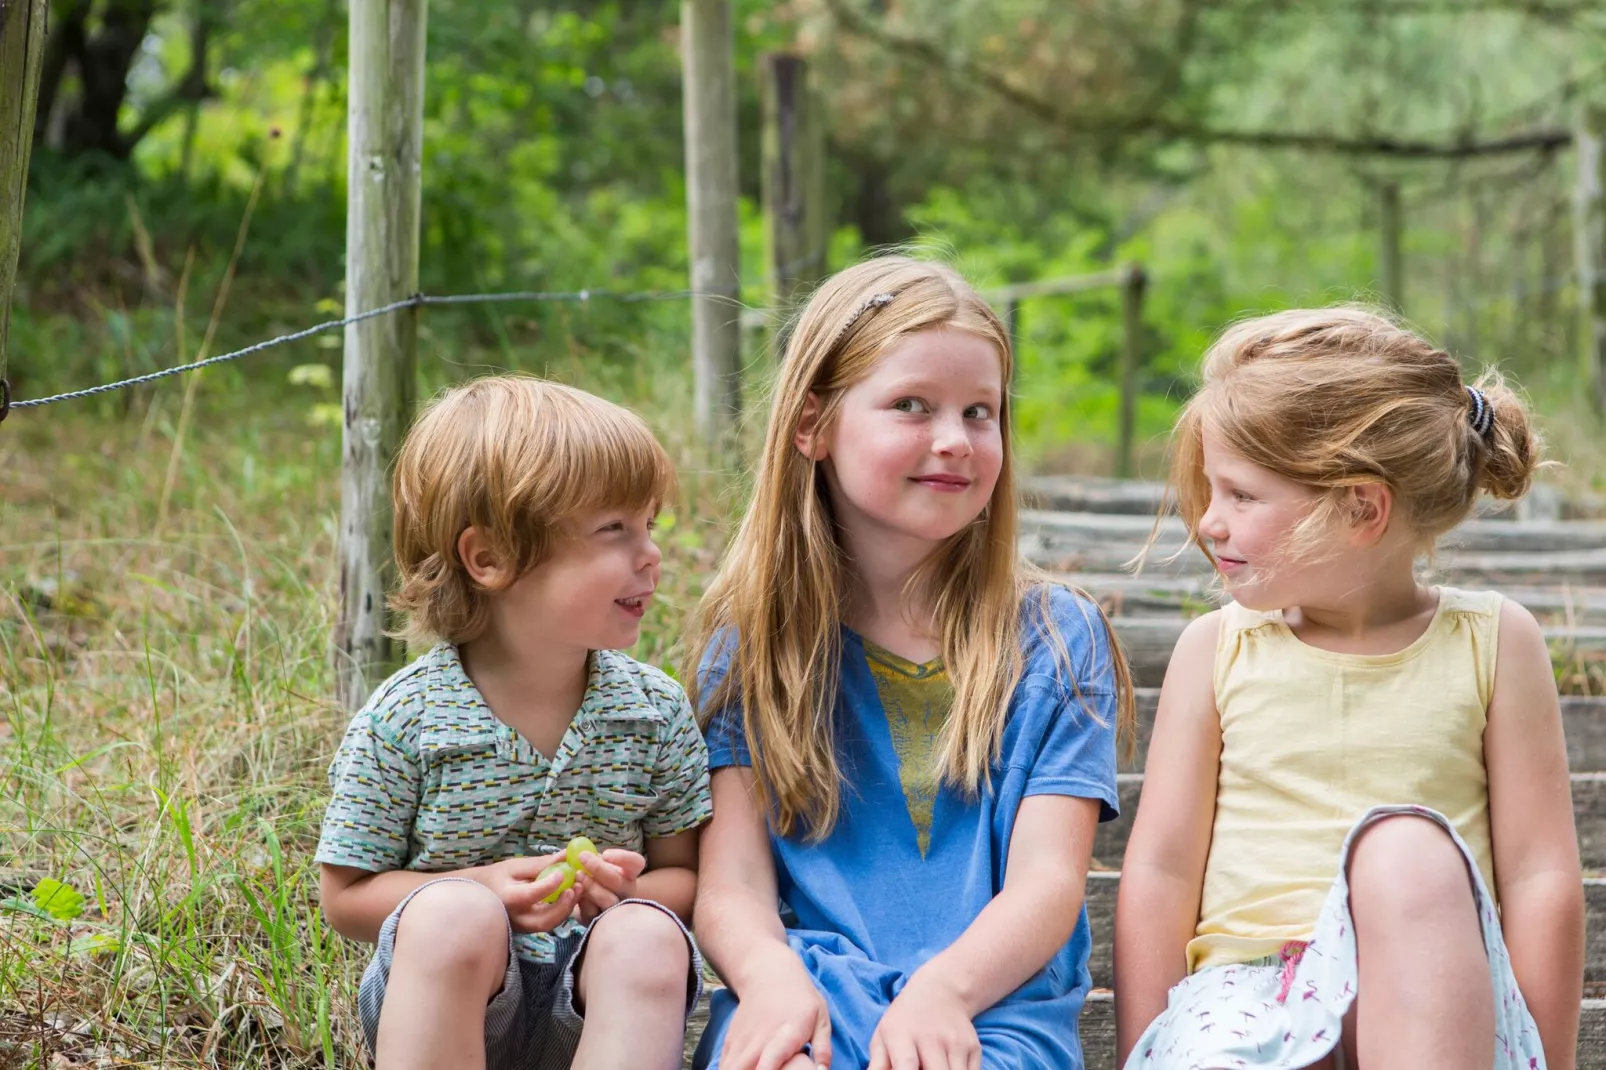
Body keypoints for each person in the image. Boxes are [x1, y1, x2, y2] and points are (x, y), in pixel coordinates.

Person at [683, 255, 1136, 1070]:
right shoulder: (754, 644)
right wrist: (769, 976)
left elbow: (1047, 883)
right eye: (911, 407)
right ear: (812, 425)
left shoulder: (1058, 640)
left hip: (988, 1011)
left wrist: (945, 993)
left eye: (980, 412)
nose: (955, 440)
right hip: (807, 996)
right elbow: (733, 886)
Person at [1114, 307, 1585, 1069]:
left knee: (1405, 853)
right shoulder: (1218, 649)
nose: (1209, 523)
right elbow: (1162, 870)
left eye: (1240, 495)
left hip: (1437, 999)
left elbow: (1540, 876)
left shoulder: (1494, 642)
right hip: (1248, 1008)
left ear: (1361, 508)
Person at [314, 375, 713, 1070]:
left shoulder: (654, 711)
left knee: (648, 935)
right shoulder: (406, 719)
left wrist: (622, 894)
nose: (650, 555)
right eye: (612, 530)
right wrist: (480, 887)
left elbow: (686, 875)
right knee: (452, 914)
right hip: (451, 1000)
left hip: (594, 1002)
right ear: (490, 557)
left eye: (647, 525)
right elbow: (345, 896)